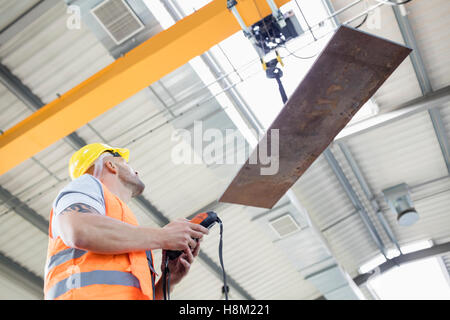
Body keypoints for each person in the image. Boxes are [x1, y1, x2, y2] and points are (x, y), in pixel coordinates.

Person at [43, 143, 209, 300]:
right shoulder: (87, 184)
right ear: (111, 165)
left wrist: (167, 281)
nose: (135, 170)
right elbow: (78, 229)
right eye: (125, 162)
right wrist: (164, 236)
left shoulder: (127, 232)